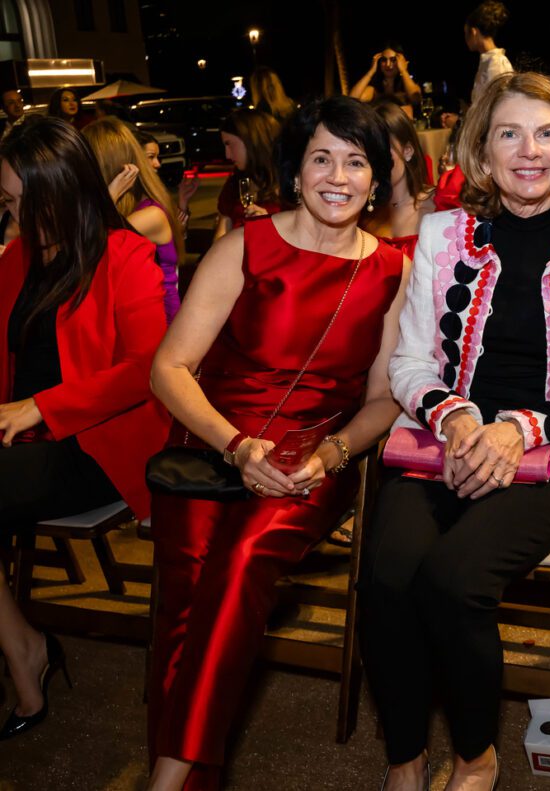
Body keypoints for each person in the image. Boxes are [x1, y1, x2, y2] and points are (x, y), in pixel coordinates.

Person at [360, 71, 550, 791]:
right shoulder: (441, 234)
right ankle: (405, 756)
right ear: (481, 154)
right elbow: (410, 361)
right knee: (387, 576)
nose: (528, 151)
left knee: (454, 583)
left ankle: (476, 755)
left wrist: (517, 429)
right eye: (509, 134)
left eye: (546, 134)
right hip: (439, 442)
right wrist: (456, 418)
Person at [146, 95, 409, 791]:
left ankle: (165, 782)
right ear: (295, 172)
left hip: (311, 459)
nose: (338, 177)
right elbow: (169, 368)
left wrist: (331, 455)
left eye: (356, 162)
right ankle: (190, 778)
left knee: (239, 564)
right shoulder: (245, 246)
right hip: (211, 443)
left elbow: (383, 399)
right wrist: (235, 445)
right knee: (186, 596)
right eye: (322, 158)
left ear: (376, 181)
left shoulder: (391, 271)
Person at [0, 117, 169, 740]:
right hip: (25, 439)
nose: (13, 217)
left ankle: (24, 651)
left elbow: (148, 367)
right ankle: (23, 646)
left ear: (62, 191)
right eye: (6, 203)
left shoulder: (124, 254)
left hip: (96, 445)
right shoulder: (17, 258)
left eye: (22, 203)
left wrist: (41, 407)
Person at [83, 117, 185, 322]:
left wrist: (109, 197)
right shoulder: (127, 208)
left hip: (159, 321)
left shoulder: (151, 215)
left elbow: (88, 249)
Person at [361, 101, 435, 260]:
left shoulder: (439, 207)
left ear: (407, 151)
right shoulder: (359, 213)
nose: (375, 162)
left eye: (383, 150)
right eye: (368, 152)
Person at [214, 109, 281, 241]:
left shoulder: (291, 185)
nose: (227, 155)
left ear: (251, 141)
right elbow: (221, 235)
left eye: (229, 144)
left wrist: (270, 228)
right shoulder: (235, 183)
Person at [136, 130, 200, 232]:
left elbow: (179, 232)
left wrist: (183, 201)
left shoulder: (154, 192)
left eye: (157, 157)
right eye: (151, 157)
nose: (158, 164)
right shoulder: (127, 198)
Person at [466, 1, 513, 105]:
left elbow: (503, 105)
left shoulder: (497, 63)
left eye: (466, 33)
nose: (466, 39)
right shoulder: (487, 61)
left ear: (474, 32)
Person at [349, 44, 422, 109]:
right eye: (384, 60)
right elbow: (352, 100)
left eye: (393, 60)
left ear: (402, 62)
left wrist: (403, 70)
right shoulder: (374, 89)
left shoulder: (408, 86)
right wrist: (371, 71)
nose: (388, 64)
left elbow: (416, 99)